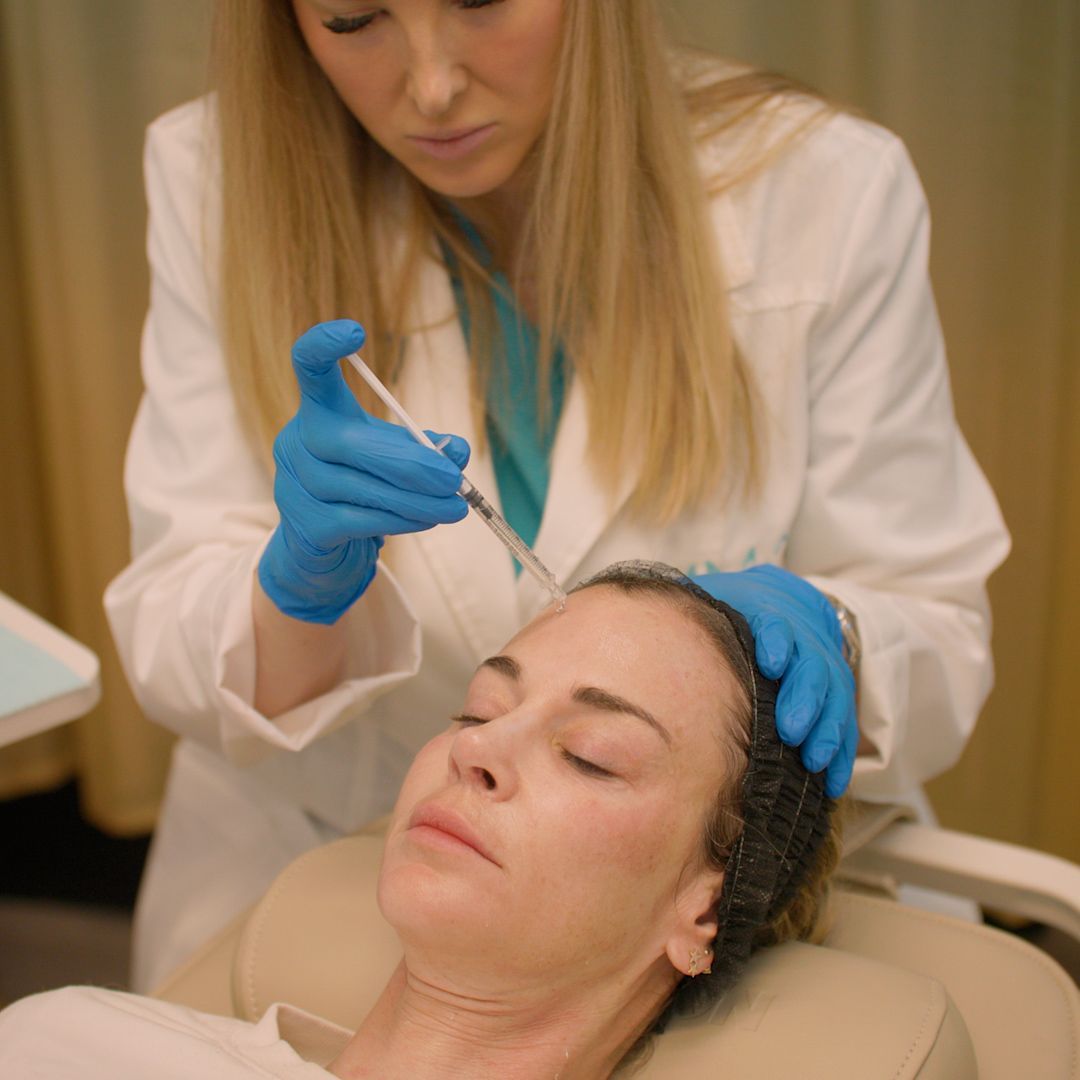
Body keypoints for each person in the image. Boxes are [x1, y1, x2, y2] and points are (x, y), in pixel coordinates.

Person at [103, 0, 1009, 992]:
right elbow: (178, 633)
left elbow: (938, 634)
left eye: (482, 1)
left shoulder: (824, 187)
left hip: (697, 928)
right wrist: (295, 598)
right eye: (354, 17)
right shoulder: (213, 173)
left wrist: (834, 636)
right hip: (326, 859)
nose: (432, 86)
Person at [4, 564, 839, 1078]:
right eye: (478, 710)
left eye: (590, 755)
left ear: (704, 906)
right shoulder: (72, 1042)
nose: (475, 749)